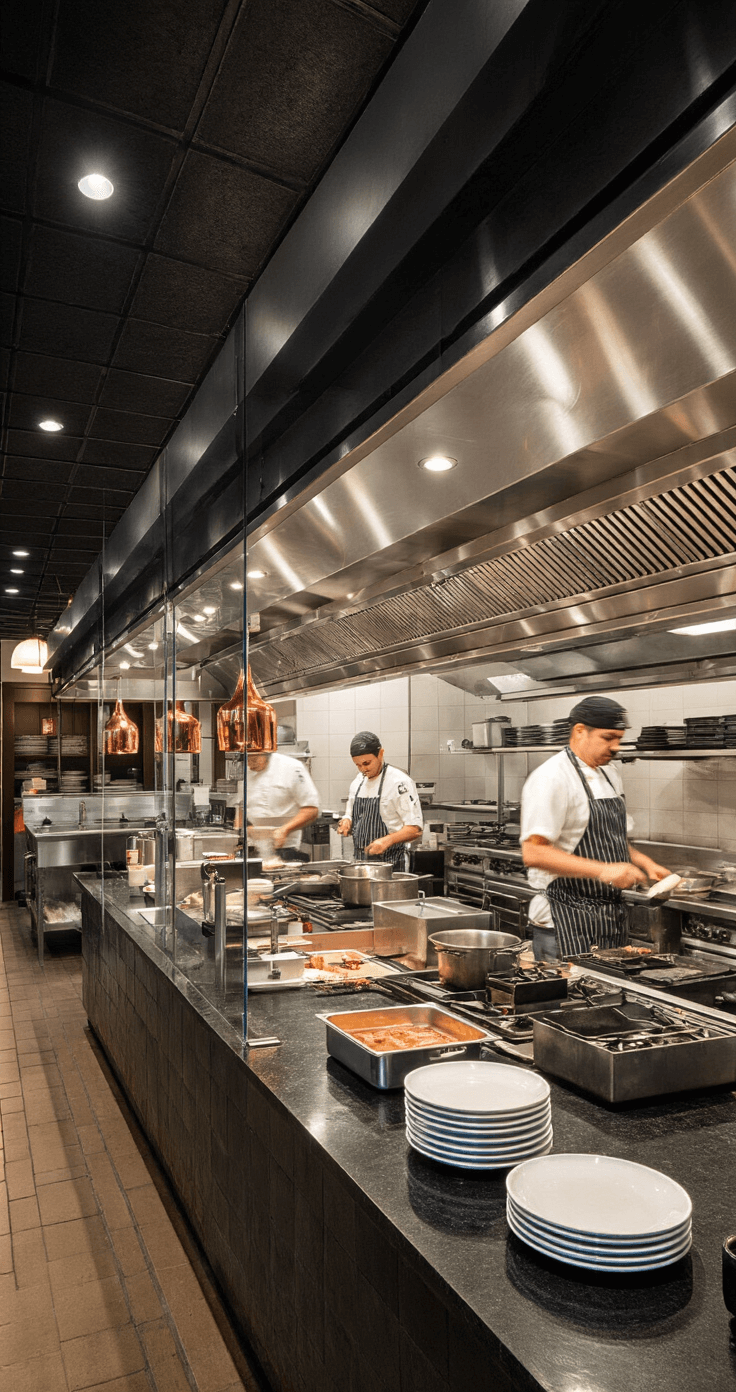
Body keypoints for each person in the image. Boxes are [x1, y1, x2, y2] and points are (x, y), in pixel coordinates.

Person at [520, 696, 671, 959]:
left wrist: (645, 863)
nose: (616, 747)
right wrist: (604, 871)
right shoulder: (551, 778)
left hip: (607, 919)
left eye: (619, 738)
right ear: (580, 731)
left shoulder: (609, 774)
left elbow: (609, 838)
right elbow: (534, 853)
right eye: (608, 737)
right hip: (564, 920)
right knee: (567, 999)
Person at [336, 731, 423, 866]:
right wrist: (347, 821)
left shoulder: (399, 783)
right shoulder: (358, 782)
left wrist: (387, 840)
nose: (362, 769)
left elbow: (415, 829)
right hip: (361, 863)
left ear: (381, 754)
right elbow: (350, 813)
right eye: (358, 765)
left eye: (367, 763)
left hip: (391, 863)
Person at [246, 750, 319, 853]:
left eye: (253, 759)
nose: (249, 764)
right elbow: (241, 806)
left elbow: (311, 809)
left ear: (266, 752)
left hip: (285, 848)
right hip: (252, 848)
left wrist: (285, 830)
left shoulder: (292, 768)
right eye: (247, 758)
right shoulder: (247, 770)